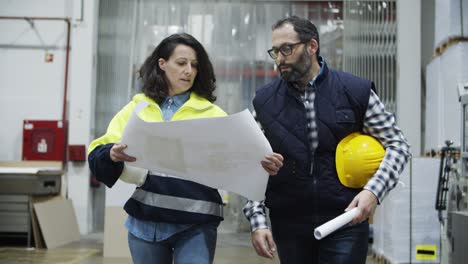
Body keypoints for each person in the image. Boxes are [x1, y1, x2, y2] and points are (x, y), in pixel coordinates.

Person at [88, 33, 283, 264]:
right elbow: (98, 151)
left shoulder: (214, 115)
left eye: (194, 65)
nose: (188, 70)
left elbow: (242, 163)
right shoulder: (139, 109)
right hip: (145, 224)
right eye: (181, 63)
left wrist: (261, 164)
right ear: (162, 64)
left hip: (197, 225)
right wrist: (111, 154)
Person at [243, 16, 411, 264]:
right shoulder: (264, 102)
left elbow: (398, 145)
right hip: (289, 224)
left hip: (345, 219)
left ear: (312, 46)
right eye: (275, 51)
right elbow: (252, 164)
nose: (279, 59)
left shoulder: (355, 91)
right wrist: (257, 220)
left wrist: (373, 192)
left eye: (286, 49)